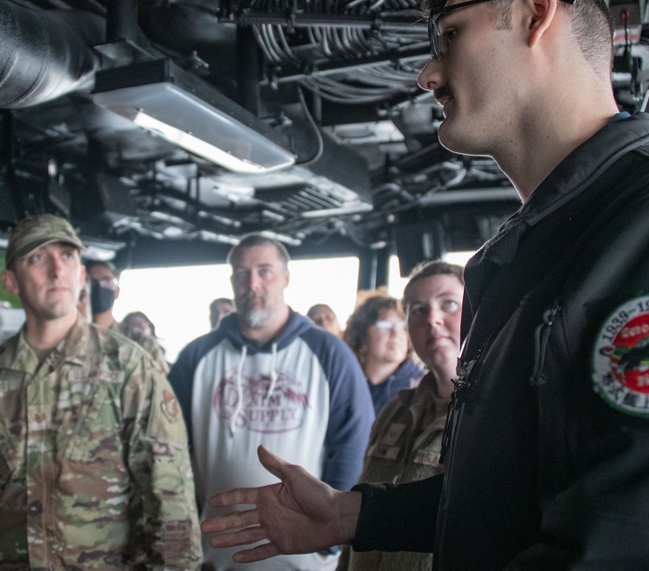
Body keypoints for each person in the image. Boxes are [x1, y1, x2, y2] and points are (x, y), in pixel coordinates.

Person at [201, 0, 649, 570]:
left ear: (536, 12)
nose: (427, 72)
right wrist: (353, 514)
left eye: (450, 36)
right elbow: (518, 499)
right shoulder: (525, 253)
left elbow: (636, 539)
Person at [0, 214, 201, 570]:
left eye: (67, 257)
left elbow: (170, 503)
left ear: (81, 276)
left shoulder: (129, 369)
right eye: (37, 258)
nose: (56, 270)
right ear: (11, 281)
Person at [169, 234, 373, 570]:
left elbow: (351, 445)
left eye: (265, 271)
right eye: (241, 274)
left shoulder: (330, 353)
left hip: (304, 555)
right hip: (215, 553)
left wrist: (331, 540)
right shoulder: (197, 355)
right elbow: (169, 447)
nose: (252, 284)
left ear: (286, 278)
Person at [338, 262, 463, 571]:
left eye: (449, 304)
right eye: (417, 310)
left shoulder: (496, 414)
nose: (432, 319)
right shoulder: (396, 411)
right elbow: (355, 514)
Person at [342, 295, 424, 416]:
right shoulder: (345, 385)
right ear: (362, 335)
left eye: (402, 326)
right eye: (385, 325)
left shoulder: (421, 387)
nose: (396, 333)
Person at [85, 259, 169, 372]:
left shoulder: (140, 342)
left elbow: (161, 383)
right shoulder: (69, 336)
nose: (99, 286)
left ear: (117, 292)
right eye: (92, 282)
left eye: (107, 281)